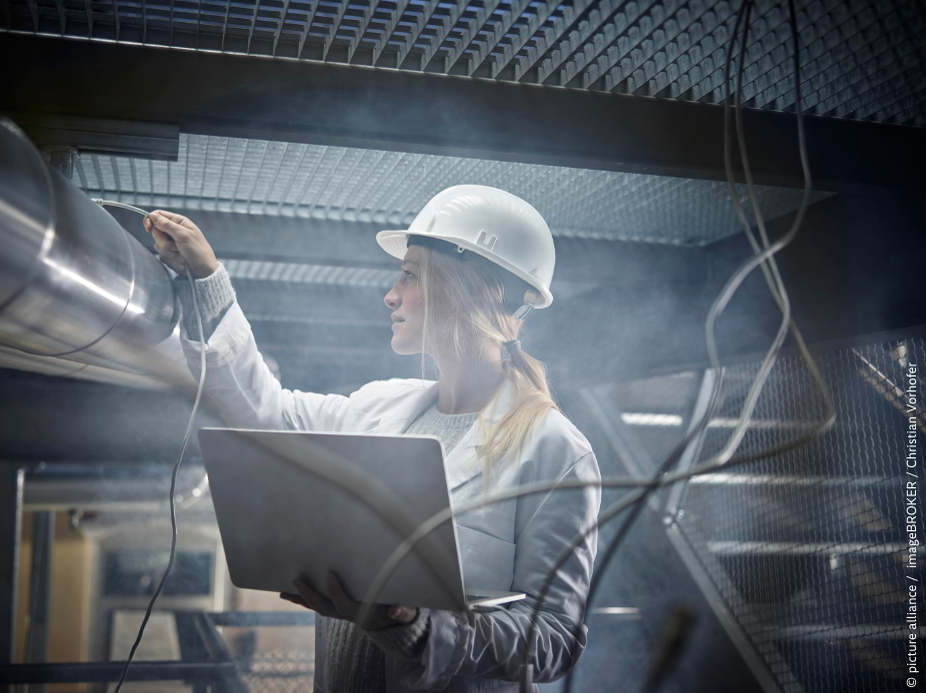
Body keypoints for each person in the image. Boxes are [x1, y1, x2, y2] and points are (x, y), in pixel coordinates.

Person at [143, 185, 601, 692]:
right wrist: (206, 280)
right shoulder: (378, 405)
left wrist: (413, 627)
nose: (390, 293)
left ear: (472, 288)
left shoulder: (554, 449)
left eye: (409, 274)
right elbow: (265, 413)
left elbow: (553, 639)